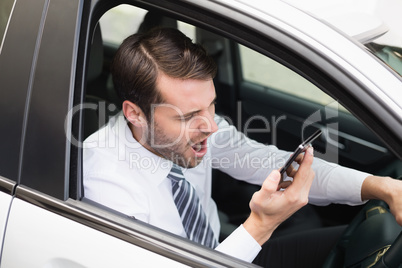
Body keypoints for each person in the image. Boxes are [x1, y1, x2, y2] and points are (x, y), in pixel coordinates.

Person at [83, 28, 402, 267]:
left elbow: (269, 161)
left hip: (228, 248)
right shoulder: (106, 185)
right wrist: (262, 224)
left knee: (360, 239)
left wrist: (383, 187)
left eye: (211, 106)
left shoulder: (197, 132)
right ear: (135, 114)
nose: (210, 125)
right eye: (190, 115)